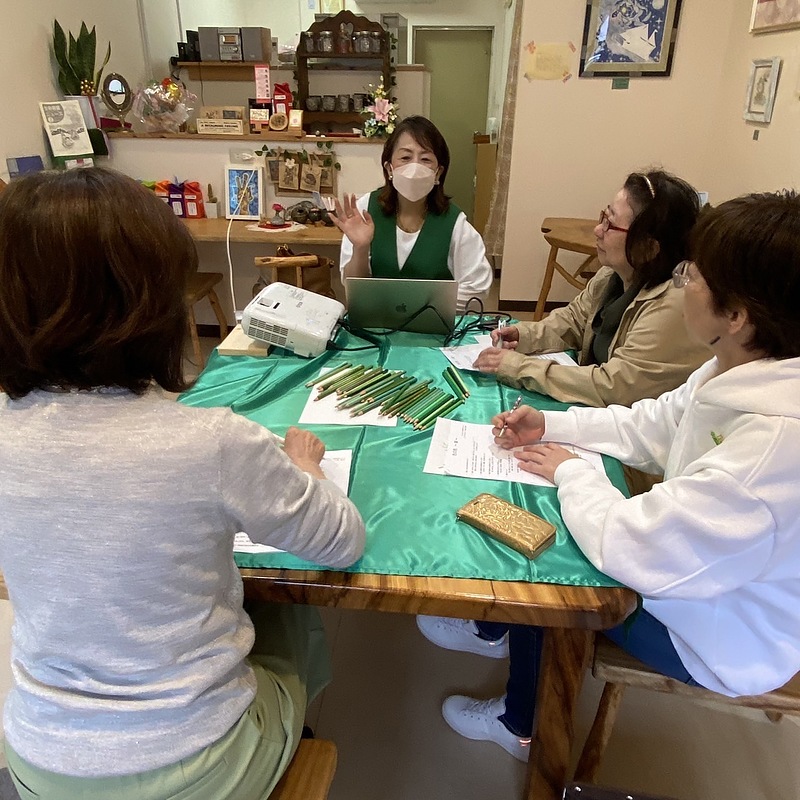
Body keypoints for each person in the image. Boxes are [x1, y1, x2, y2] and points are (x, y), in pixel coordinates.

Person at [0, 168, 366, 799]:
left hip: (39, 764)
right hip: (198, 768)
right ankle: (292, 738)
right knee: (287, 609)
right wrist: (305, 467)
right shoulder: (213, 441)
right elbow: (342, 541)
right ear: (153, 305)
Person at [423, 190, 800, 761]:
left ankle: (521, 724)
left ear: (738, 315)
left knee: (550, 576)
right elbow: (650, 423)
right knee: (555, 514)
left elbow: (628, 542)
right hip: (700, 575)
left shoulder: (770, 451)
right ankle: (497, 636)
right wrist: (550, 425)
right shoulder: (735, 366)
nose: (682, 282)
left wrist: (573, 471)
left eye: (693, 274)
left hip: (717, 637)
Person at [473, 170, 710, 408]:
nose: (598, 230)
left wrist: (518, 367)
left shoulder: (675, 303)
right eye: (603, 217)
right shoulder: (613, 274)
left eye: (610, 224)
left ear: (648, 248)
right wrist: (524, 336)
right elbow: (574, 320)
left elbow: (614, 387)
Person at [333, 115, 493, 311]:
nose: (415, 167)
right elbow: (353, 289)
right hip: (374, 327)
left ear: (438, 173)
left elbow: (477, 289)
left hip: (434, 332)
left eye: (425, 159)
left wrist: (413, 305)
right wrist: (361, 247)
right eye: (405, 158)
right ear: (389, 168)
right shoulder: (365, 209)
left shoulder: (455, 223)